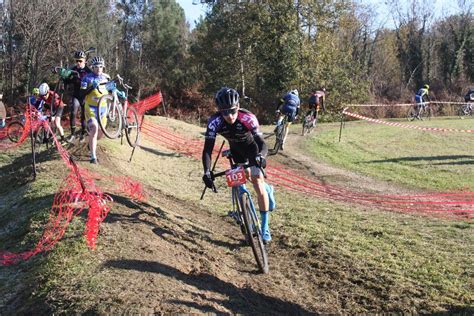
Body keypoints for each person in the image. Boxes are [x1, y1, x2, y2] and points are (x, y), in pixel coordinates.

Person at [202, 87, 276, 243]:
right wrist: (207, 171)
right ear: (219, 111)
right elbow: (207, 149)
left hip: (252, 149)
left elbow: (261, 142)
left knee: (257, 181)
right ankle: (244, 210)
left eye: (233, 111)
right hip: (236, 151)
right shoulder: (214, 122)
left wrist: (261, 156)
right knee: (242, 179)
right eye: (225, 112)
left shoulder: (248, 117)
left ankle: (264, 227)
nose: (229, 116)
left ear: (238, 107)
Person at [80, 56, 110, 164]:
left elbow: (111, 89)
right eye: (96, 67)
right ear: (92, 67)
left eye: (101, 67)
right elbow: (81, 93)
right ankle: (93, 157)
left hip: (103, 109)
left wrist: (117, 92)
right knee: (94, 128)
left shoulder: (106, 77)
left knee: (100, 134)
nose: (99, 69)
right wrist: (92, 87)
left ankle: (90, 143)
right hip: (91, 108)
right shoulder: (86, 78)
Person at [61, 50, 92, 143]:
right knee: (73, 112)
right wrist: (64, 83)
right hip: (76, 95)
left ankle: (83, 133)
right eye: (76, 61)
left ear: (84, 61)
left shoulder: (88, 71)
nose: (78, 63)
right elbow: (66, 79)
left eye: (80, 61)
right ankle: (73, 134)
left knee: (83, 116)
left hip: (86, 96)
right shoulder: (73, 69)